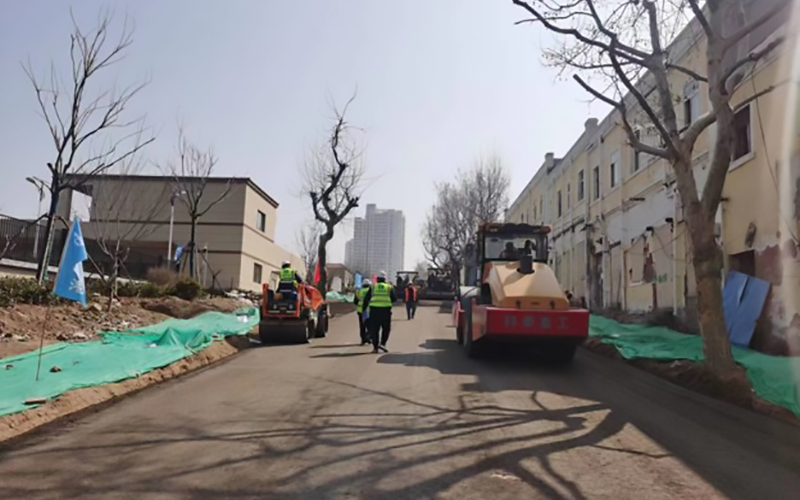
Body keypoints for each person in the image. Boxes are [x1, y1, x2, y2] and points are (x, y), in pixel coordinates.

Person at [362, 270, 397, 353]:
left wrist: (363, 310)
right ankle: (383, 344)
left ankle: (375, 347)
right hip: (386, 311)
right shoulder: (389, 287)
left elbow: (366, 299)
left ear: (377, 279)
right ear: (385, 279)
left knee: (375, 330)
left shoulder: (373, 287)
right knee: (386, 329)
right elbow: (394, 299)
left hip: (374, 311)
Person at [353, 279, 372, 345]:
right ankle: (368, 337)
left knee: (362, 326)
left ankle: (363, 339)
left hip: (360, 310)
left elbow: (355, 301)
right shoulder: (371, 291)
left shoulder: (358, 291)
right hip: (370, 311)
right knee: (370, 326)